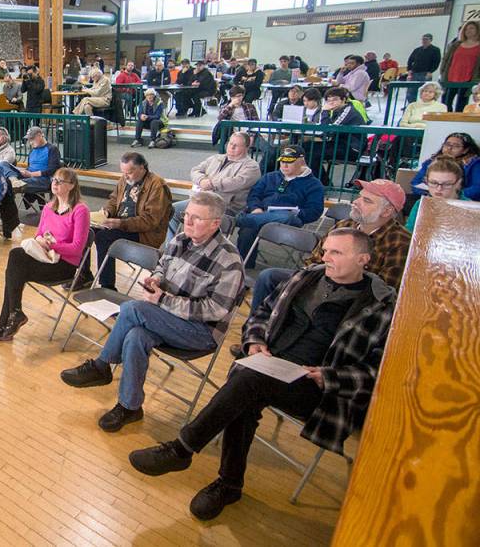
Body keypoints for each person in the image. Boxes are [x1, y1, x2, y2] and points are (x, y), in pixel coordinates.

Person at [128, 228, 394, 521]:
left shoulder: (380, 306)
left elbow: (379, 371)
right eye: (325, 250)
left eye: (336, 252)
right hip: (271, 366)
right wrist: (255, 341)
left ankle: (182, 449)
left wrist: (328, 376)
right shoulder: (306, 277)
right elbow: (262, 313)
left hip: (319, 388)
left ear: (363, 259)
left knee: (248, 379)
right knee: (248, 388)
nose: (325, 257)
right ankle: (229, 485)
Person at [60, 192, 244, 432]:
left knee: (132, 308)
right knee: (136, 335)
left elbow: (215, 310)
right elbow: (161, 266)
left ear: (215, 224)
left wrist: (164, 299)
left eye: (196, 218)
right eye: (186, 215)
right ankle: (130, 407)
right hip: (167, 317)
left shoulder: (229, 260)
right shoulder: (180, 239)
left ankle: (102, 365)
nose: (187, 222)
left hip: (201, 332)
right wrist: (156, 279)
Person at [245, 178, 410, 327]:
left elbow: (384, 291)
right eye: (359, 197)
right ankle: (257, 333)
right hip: (320, 280)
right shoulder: (344, 225)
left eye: (366, 200)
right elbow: (315, 260)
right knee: (268, 277)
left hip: (353, 298)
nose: (355, 202)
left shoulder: (401, 243)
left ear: (387, 211)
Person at [0, 168, 91, 342]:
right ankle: (13, 315)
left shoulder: (80, 210)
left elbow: (76, 249)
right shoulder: (49, 207)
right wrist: (40, 240)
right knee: (16, 256)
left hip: (64, 265)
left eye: (60, 181)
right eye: (54, 180)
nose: (54, 183)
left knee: (15, 272)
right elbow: (39, 234)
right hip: (44, 256)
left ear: (72, 185)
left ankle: (5, 324)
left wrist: (52, 245)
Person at [76, 152, 173, 290]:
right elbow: (114, 200)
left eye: (129, 172)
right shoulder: (125, 179)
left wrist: (120, 223)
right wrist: (107, 212)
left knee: (103, 237)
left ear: (142, 168)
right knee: (85, 229)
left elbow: (150, 221)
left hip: (144, 233)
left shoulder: (157, 186)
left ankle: (107, 286)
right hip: (121, 224)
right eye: (123, 172)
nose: (125, 176)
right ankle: (84, 274)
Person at [236, 146, 324, 267]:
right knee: (248, 229)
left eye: (289, 162)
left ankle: (238, 219)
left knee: (285, 216)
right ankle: (244, 265)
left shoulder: (314, 184)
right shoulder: (270, 177)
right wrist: (256, 208)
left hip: (289, 220)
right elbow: (254, 195)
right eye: (282, 161)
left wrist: (296, 212)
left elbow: (315, 211)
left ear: (301, 161)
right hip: (261, 214)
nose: (284, 166)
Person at [169, 132, 261, 238]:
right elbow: (195, 170)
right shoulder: (216, 158)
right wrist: (202, 180)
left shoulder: (252, 167)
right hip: (202, 199)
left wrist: (211, 183)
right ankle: (173, 245)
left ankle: (194, 245)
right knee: (171, 211)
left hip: (225, 206)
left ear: (246, 148)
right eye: (230, 143)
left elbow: (236, 182)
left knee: (197, 217)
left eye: (236, 145)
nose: (231, 147)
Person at [305, 87, 365, 184]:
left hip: (351, 148)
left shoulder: (348, 111)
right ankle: (322, 182)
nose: (331, 102)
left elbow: (328, 130)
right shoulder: (337, 111)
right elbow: (326, 130)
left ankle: (322, 184)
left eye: (335, 99)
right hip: (339, 144)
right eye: (328, 100)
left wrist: (324, 111)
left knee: (312, 153)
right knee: (305, 147)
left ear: (343, 100)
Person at [411, 132, 480, 200]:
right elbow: (415, 183)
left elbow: (477, 188)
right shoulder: (431, 162)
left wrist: (453, 194)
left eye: (456, 146)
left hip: (460, 200)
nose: (449, 148)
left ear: (465, 150)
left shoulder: (474, 163)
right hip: (431, 198)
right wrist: (433, 193)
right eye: (447, 144)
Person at [407, 158, 465, 232]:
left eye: (447, 184)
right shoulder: (420, 204)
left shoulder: (470, 208)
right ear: (426, 181)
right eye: (433, 183)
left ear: (458, 183)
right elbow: (409, 233)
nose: (439, 189)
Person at [439, 20, 480, 111]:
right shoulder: (456, 45)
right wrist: (442, 71)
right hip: (451, 78)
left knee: (461, 104)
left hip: (468, 79)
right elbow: (446, 59)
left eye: (471, 28)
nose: (468, 31)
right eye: (466, 29)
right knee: (446, 103)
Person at [18, 127, 62, 207]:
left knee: (10, 185)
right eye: (29, 140)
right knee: (7, 178)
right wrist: (23, 172)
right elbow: (30, 167)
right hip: (31, 179)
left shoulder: (52, 149)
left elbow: (52, 170)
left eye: (32, 139)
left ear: (39, 135)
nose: (30, 142)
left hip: (44, 180)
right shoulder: (32, 151)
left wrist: (31, 174)